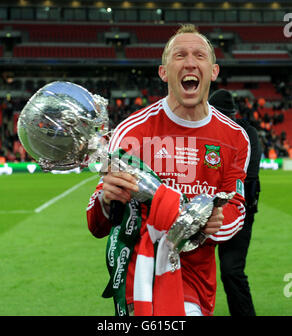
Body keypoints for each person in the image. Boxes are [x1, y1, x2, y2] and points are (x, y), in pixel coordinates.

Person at [86, 24, 250, 316]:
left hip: (195, 280)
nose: (190, 62)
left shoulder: (235, 138)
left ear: (213, 71)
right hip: (140, 275)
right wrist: (105, 200)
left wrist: (214, 223)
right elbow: (97, 224)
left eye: (199, 55)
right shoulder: (133, 131)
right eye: (179, 55)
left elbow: (236, 206)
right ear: (163, 72)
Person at [209, 88, 261, 316]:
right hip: (204, 210)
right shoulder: (204, 131)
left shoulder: (247, 134)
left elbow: (245, 176)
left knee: (231, 271)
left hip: (238, 210)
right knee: (187, 267)